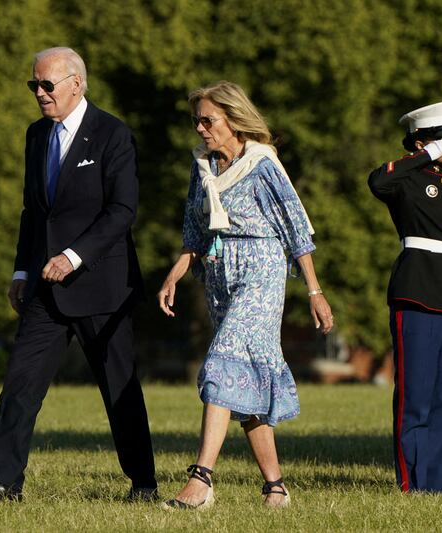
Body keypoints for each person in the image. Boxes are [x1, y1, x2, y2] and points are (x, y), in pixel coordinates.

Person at [0, 47, 157, 502]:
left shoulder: (113, 134)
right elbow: (33, 212)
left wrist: (73, 256)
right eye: (35, 86)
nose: (40, 94)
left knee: (119, 388)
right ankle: (2, 483)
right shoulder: (35, 135)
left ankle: (143, 482)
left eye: (48, 85)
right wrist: (22, 269)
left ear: (76, 84)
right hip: (45, 288)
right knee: (19, 384)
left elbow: (122, 211)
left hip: (103, 286)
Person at [157, 81, 333, 510]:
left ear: (233, 119)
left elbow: (296, 229)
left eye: (208, 119)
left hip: (261, 270)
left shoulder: (262, 165)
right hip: (219, 275)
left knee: (222, 363)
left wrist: (314, 290)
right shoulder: (203, 168)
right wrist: (174, 275)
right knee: (243, 378)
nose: (200, 128)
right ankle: (275, 486)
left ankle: (201, 480)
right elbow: (194, 234)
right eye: (196, 120)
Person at [368, 100, 442, 493]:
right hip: (419, 294)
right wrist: (426, 154)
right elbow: (379, 181)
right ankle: (413, 483)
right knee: (416, 394)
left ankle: (436, 483)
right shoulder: (407, 179)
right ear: (421, 141)